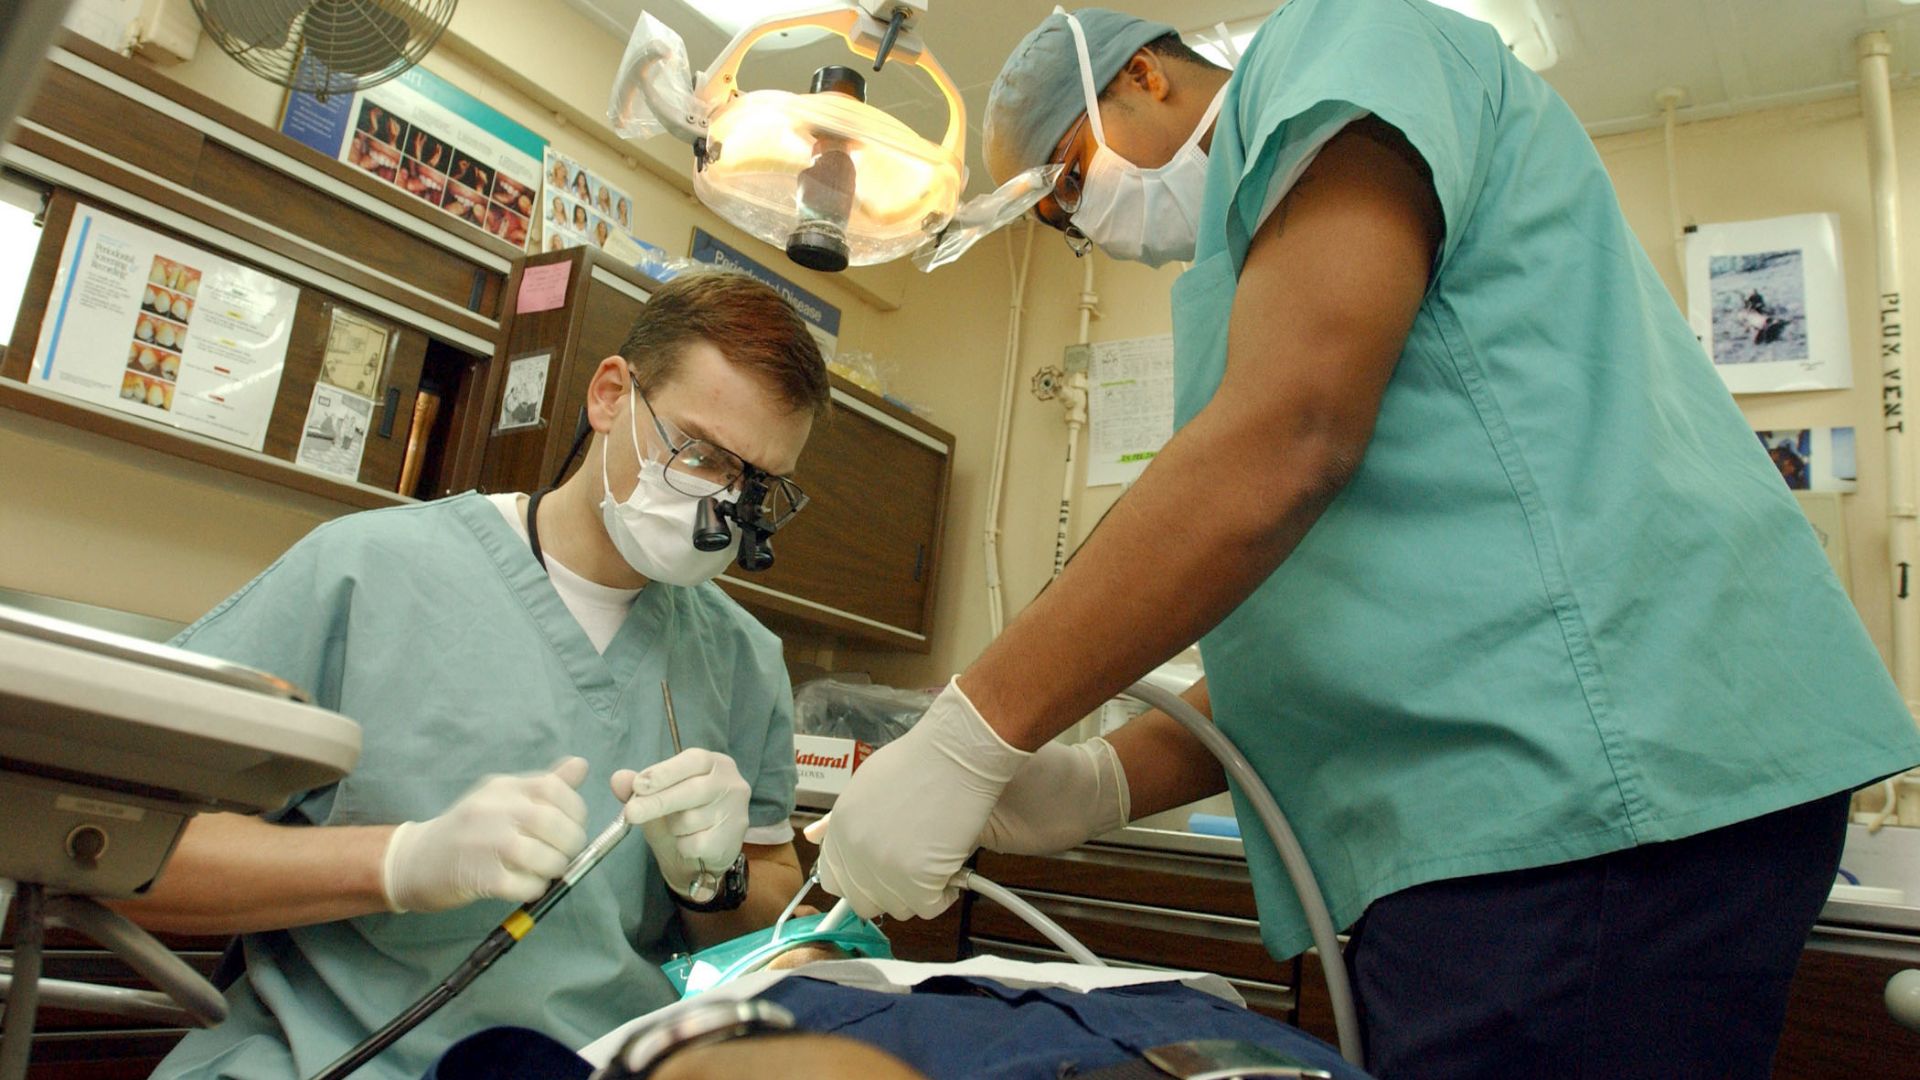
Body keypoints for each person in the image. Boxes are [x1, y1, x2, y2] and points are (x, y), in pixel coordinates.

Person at [814, 3, 1920, 1077]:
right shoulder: (1259, 271)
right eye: (1053, 219)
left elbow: (1287, 437)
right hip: (1547, 812)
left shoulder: (1345, 36)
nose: (1079, 222)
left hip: (1591, 806)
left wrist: (972, 730)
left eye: (1068, 176)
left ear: (1145, 75)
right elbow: (1333, 635)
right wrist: (1100, 782)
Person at [118, 271, 831, 1079]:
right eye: (698, 453)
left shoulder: (742, 659)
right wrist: (399, 863)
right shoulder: (367, 572)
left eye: (754, 484)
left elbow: (775, 930)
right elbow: (119, 849)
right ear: (609, 396)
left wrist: (719, 882)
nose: (720, 505)